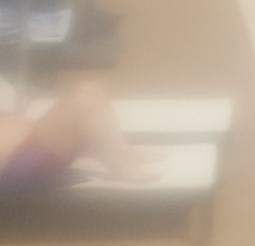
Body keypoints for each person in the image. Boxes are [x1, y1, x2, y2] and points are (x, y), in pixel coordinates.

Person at [0, 80, 155, 192]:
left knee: (90, 89)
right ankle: (118, 165)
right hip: (18, 161)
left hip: (29, 147)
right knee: (83, 98)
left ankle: (122, 151)